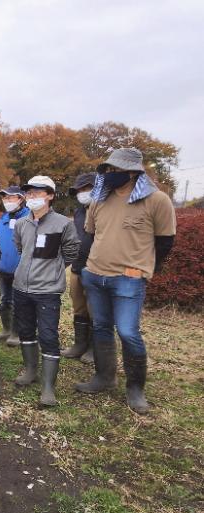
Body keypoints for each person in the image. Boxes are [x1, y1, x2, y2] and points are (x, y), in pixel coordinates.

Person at [75, 148, 176, 414]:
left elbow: (165, 242)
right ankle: (105, 377)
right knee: (101, 327)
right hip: (95, 275)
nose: (110, 175)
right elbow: (90, 235)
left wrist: (143, 267)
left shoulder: (156, 200)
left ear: (134, 172)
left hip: (128, 280)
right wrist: (83, 268)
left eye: (116, 170)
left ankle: (135, 388)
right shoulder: (99, 199)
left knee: (128, 332)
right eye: (107, 170)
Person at [12, 176, 80, 406]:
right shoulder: (22, 223)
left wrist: (54, 269)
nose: (32, 197)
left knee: (49, 336)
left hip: (48, 290)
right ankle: (31, 370)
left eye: (38, 193)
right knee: (25, 330)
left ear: (50, 195)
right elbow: (21, 248)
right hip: (21, 287)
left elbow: (71, 251)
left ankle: (48, 387)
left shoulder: (63, 223)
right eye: (29, 193)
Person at [63, 172, 97, 363]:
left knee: (95, 310)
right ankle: (79, 344)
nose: (83, 193)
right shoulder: (78, 212)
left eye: (87, 189)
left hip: (96, 268)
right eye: (79, 190)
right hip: (77, 267)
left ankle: (93, 348)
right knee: (79, 307)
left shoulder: (103, 209)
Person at [0, 186, 31, 346]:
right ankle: (7, 329)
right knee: (5, 300)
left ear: (21, 199)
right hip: (3, 269)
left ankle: (17, 333)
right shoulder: (3, 219)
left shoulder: (29, 217)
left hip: (21, 270)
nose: (8, 201)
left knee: (19, 302)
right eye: (5, 198)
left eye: (11, 198)